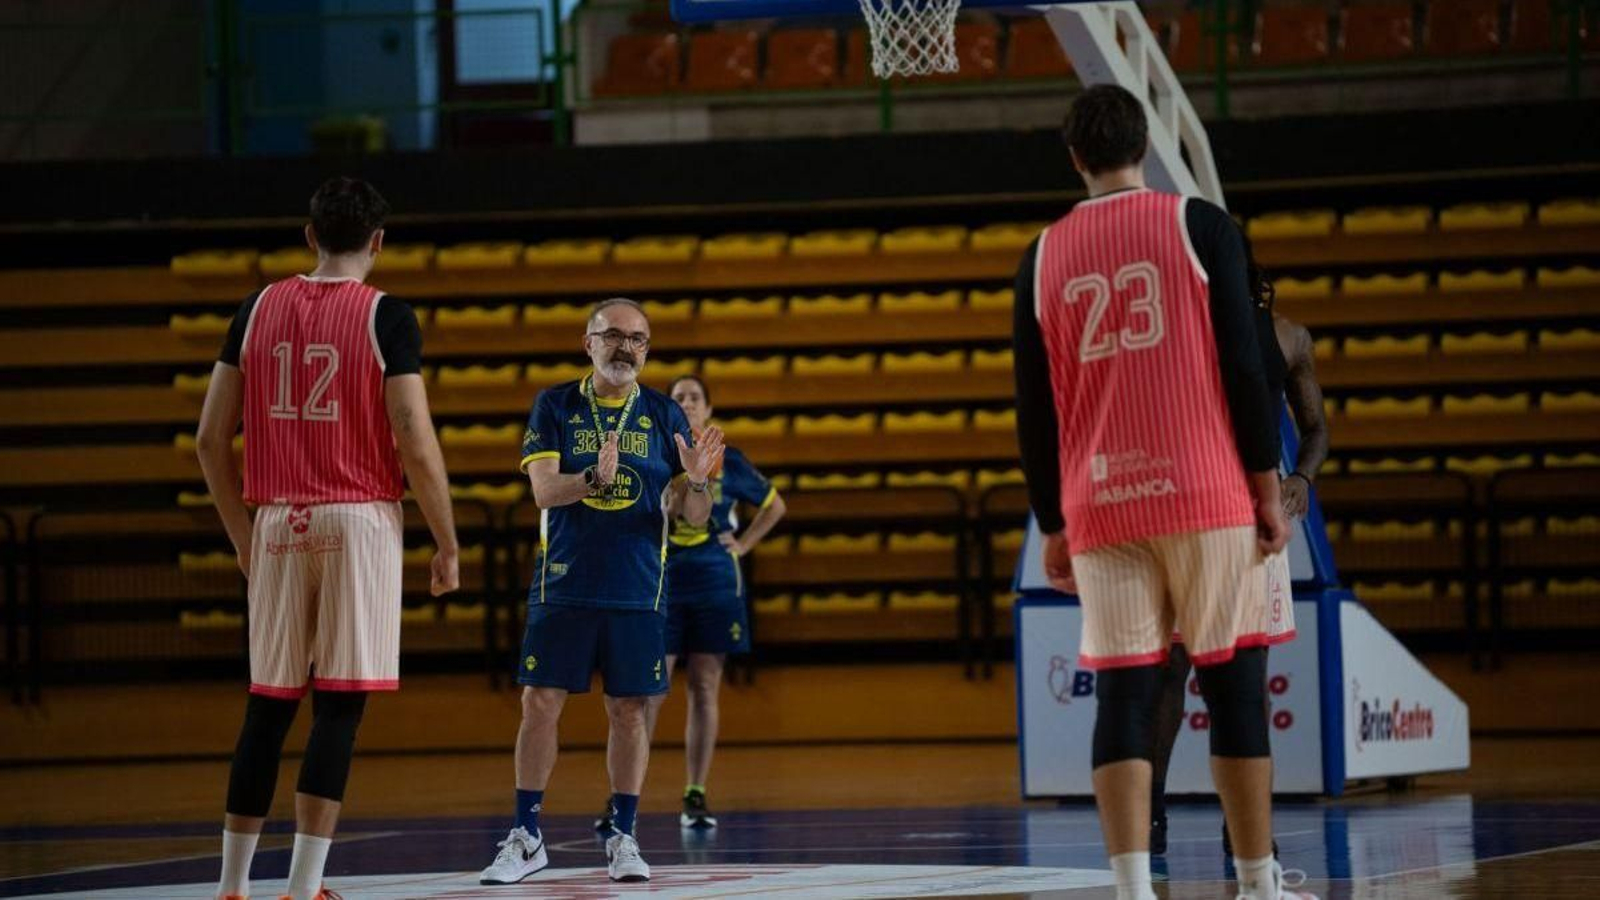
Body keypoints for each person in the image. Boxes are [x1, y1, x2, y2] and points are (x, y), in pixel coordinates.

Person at [1012, 85, 1315, 900]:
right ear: (1144, 146)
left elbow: (1034, 407)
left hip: (1102, 505)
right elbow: (1246, 370)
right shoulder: (1202, 227)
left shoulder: (1040, 256)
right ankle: (1256, 883)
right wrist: (1264, 487)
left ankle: (1132, 889)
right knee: (1233, 689)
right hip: (1206, 494)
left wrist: (1050, 521)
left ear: (1075, 159)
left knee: (1125, 694)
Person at [198, 177, 460, 900]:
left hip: (278, 518)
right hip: (357, 519)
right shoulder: (388, 316)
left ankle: (231, 887)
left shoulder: (255, 309)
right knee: (338, 705)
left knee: (268, 704)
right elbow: (411, 434)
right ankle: (305, 886)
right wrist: (447, 540)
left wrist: (243, 537)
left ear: (309, 236)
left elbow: (208, 441)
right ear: (379, 241)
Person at [479, 298, 725, 886]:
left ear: (647, 349)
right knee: (539, 703)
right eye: (612, 335)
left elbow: (693, 517)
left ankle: (624, 836)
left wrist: (695, 480)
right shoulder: (556, 404)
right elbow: (542, 491)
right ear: (587, 342)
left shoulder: (665, 414)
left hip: (638, 588)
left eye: (637, 339)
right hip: (563, 581)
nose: (625, 347)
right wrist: (592, 478)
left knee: (630, 711)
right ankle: (526, 834)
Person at [1148, 246, 1331, 857]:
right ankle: (1152, 820)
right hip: (1191, 507)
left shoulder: (1287, 337)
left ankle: (1241, 833)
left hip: (1252, 510)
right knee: (1178, 675)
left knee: (1237, 680)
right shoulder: (1173, 334)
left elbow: (1316, 430)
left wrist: (1301, 477)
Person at [593, 374, 787, 833]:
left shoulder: (730, 460)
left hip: (715, 582)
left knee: (704, 686)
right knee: (648, 692)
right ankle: (623, 797)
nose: (687, 403)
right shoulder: (654, 453)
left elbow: (776, 506)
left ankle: (695, 792)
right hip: (662, 581)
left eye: (695, 397)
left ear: (709, 409)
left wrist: (742, 543)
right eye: (678, 398)